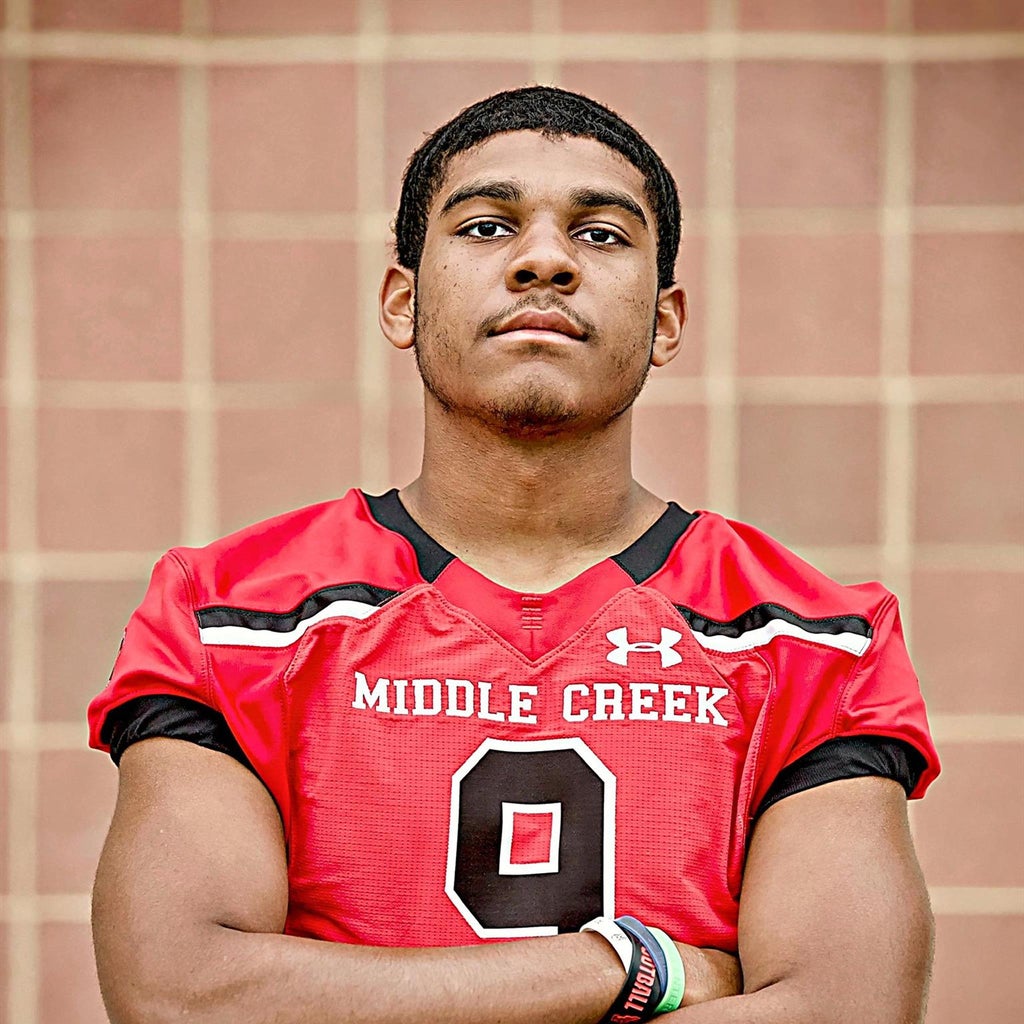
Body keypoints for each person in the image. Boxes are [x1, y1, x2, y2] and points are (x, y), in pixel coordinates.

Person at [88, 86, 939, 1024]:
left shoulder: (814, 640)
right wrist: (631, 968)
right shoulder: (231, 616)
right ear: (403, 303)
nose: (545, 261)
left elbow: (847, 1010)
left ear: (664, 323)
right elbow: (180, 998)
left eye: (601, 235)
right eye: (488, 227)